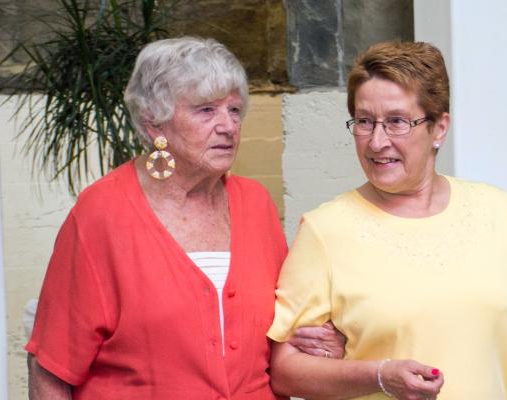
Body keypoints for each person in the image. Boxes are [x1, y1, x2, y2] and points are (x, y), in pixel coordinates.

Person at [26, 36, 343, 399]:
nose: (228, 126)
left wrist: (312, 340)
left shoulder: (256, 204)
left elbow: (280, 334)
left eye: (235, 110)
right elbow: (51, 368)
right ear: (153, 125)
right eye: (206, 110)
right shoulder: (102, 213)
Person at [266, 41, 507, 400]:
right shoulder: (325, 230)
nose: (377, 141)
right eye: (364, 121)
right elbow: (285, 372)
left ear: (439, 128)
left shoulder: (496, 210)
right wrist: (378, 375)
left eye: (397, 122)